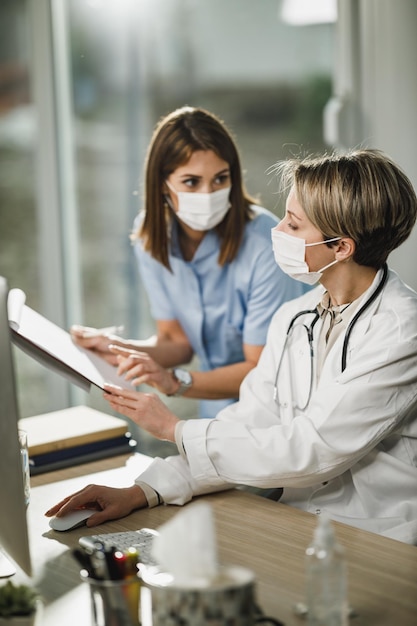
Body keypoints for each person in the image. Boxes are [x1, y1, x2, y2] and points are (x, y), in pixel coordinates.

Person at [46, 148, 417, 544]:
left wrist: (174, 428)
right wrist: (142, 491)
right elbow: (249, 424)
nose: (277, 232)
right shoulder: (295, 316)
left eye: (292, 225)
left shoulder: (401, 331)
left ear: (341, 248)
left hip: (379, 534)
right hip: (298, 522)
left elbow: (313, 450)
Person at [71, 106, 306, 418]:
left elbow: (260, 369)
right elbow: (177, 342)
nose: (209, 193)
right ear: (162, 184)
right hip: (215, 408)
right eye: (192, 182)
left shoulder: (264, 244)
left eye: (220, 179)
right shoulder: (150, 238)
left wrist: (173, 383)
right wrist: (121, 350)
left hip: (279, 409)